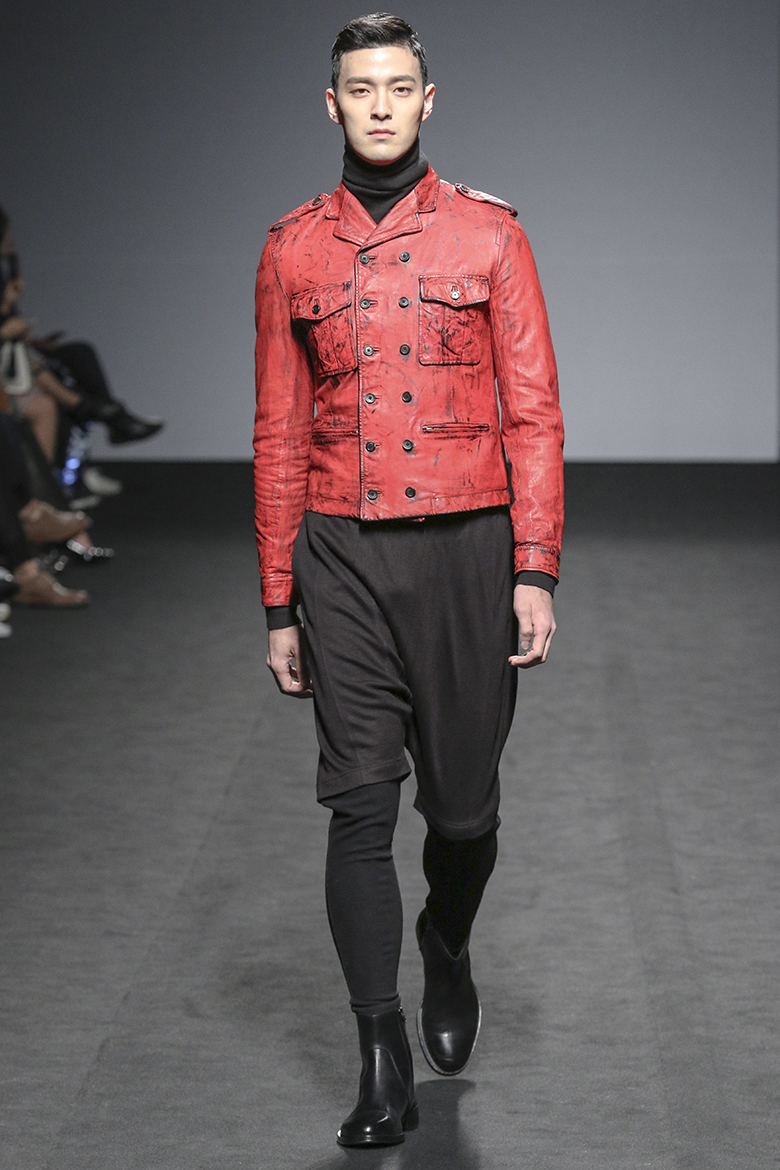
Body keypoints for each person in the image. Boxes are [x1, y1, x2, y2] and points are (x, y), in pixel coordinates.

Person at [253, 13, 563, 1148]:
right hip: (340, 553)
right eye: (359, 88)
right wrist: (278, 598)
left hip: (468, 550)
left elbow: (534, 414)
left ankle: (447, 936)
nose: (379, 106)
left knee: (464, 811)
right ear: (330, 103)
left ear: (427, 102)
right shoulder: (291, 250)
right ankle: (379, 1052)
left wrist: (535, 568)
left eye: (397, 87)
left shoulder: (490, 236)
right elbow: (278, 431)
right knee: (358, 805)